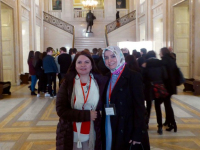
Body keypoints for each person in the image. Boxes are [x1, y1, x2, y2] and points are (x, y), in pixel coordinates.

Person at [56, 51, 108, 150]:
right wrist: (87, 115)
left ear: (92, 65)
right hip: (70, 133)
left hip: (93, 131)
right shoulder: (67, 83)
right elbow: (61, 110)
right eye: (79, 62)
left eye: (86, 62)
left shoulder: (101, 83)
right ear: (74, 65)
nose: (83, 65)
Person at [102, 46, 150, 150]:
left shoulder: (133, 76)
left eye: (113, 56)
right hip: (110, 123)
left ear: (120, 56)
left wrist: (138, 133)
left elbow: (140, 107)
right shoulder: (106, 77)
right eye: (106, 57)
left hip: (126, 127)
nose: (109, 60)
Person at [143, 51, 168, 134]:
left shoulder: (146, 64)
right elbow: (165, 76)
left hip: (149, 87)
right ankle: (160, 126)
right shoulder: (161, 64)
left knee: (148, 107)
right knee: (158, 108)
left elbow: (143, 77)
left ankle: (146, 124)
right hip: (159, 87)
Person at [160, 47, 177, 132]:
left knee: (167, 105)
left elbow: (164, 75)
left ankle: (173, 124)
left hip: (166, 87)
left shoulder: (164, 61)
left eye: (160, 52)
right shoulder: (171, 59)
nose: (159, 54)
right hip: (171, 86)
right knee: (167, 104)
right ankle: (168, 121)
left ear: (163, 52)